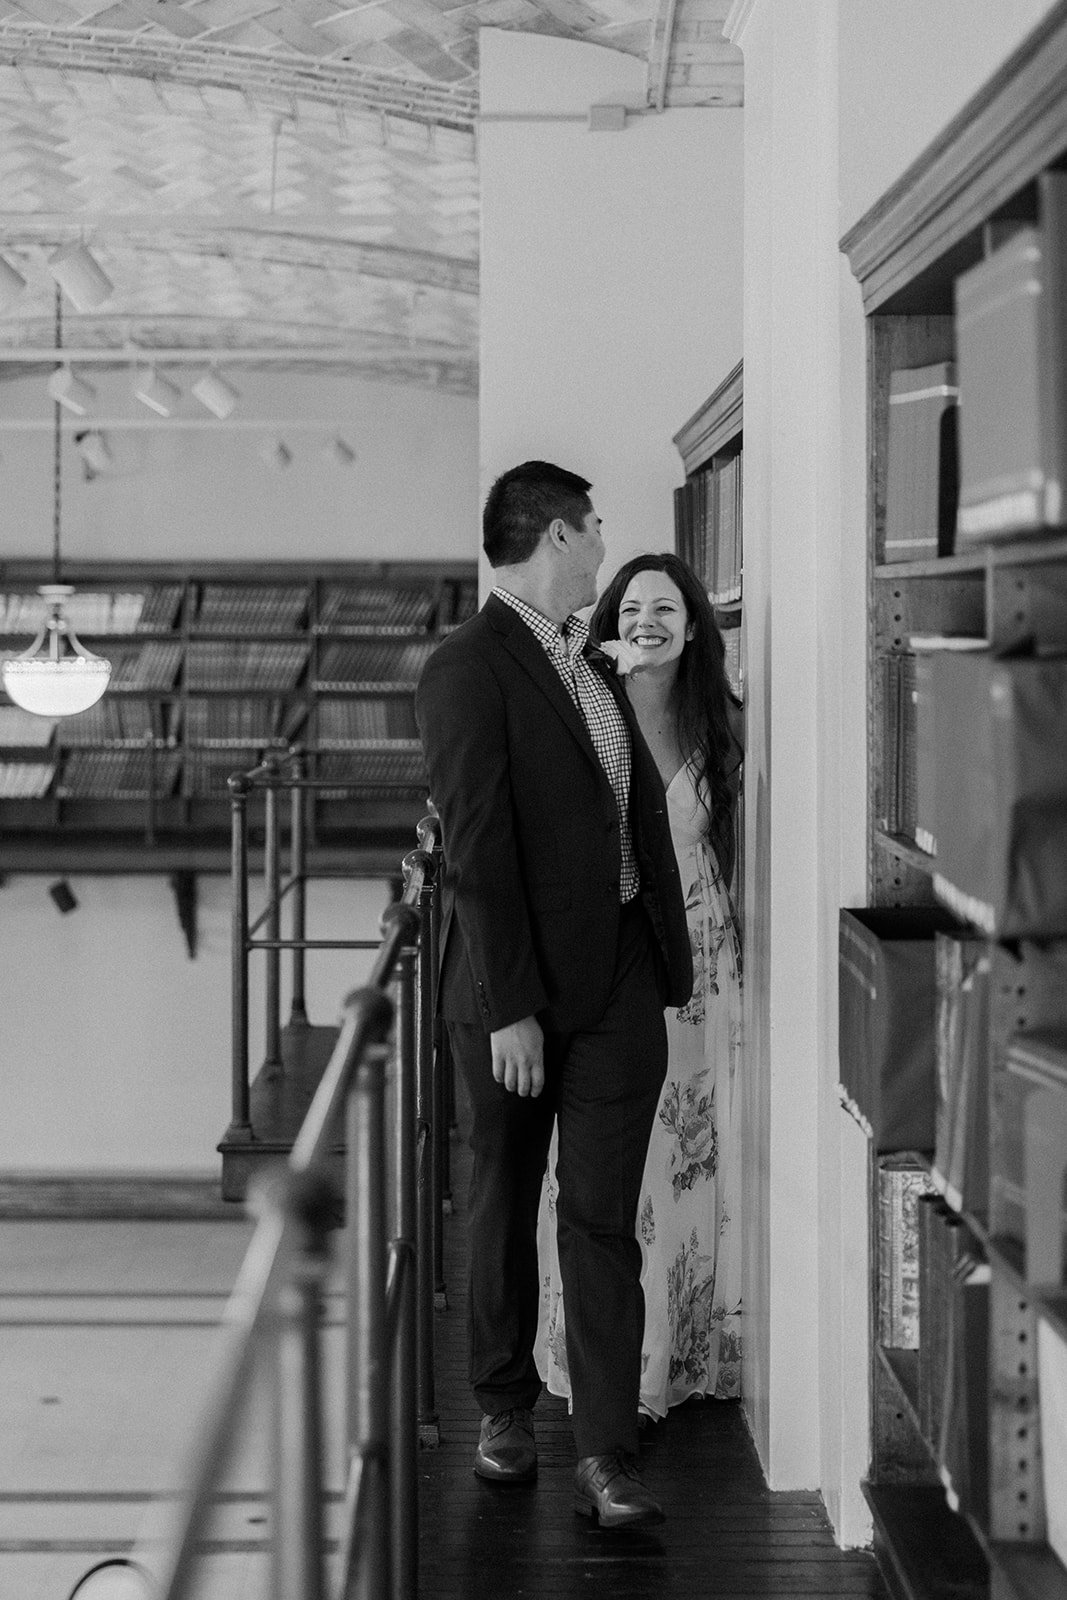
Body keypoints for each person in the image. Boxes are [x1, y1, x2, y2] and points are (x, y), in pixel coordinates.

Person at [415, 464, 693, 1528]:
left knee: (599, 1217)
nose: (604, 545)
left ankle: (608, 1453)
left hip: (620, 971)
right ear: (557, 537)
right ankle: (501, 1410)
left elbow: (626, 811)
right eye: (594, 528)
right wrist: (509, 1008)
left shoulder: (593, 661)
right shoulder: (464, 667)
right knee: (502, 1195)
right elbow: (476, 848)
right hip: (512, 991)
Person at [535, 552, 744, 1421]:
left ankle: (672, 1354)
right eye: (629, 609)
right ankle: (607, 1367)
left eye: (664, 609)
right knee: (606, 1157)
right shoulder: (590, 705)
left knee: (683, 1151)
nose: (645, 623)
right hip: (611, 949)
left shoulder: (722, 721)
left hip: (696, 953)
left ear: (693, 627)